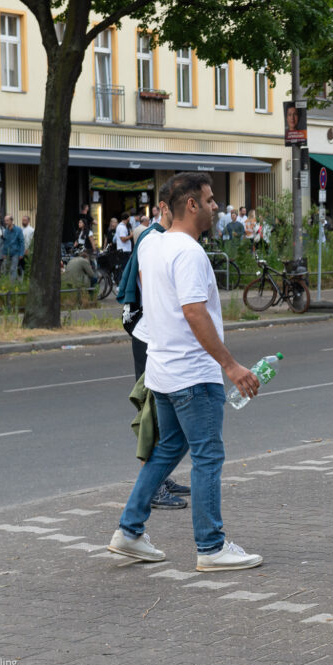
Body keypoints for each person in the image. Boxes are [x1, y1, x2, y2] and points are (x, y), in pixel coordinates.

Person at [107, 172, 263, 571]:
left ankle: (129, 531)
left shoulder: (152, 245)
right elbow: (194, 313)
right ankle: (211, 547)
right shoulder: (189, 253)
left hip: (162, 371)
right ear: (191, 205)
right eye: (209, 200)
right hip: (193, 374)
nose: (216, 207)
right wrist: (230, 365)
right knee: (208, 456)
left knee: (168, 449)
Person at [117, 179, 191, 510]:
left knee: (164, 412)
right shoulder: (153, 240)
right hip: (149, 333)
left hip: (154, 332)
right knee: (153, 412)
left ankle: (160, 475)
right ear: (164, 208)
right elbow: (153, 293)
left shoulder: (167, 237)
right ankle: (154, 485)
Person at [1, 214, 25, 282]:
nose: (6, 222)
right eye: (5, 221)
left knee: (13, 268)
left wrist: (21, 253)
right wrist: (4, 253)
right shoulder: (6, 231)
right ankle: (8, 282)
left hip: (15, 252)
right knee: (5, 268)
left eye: (7, 220)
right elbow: (5, 242)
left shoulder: (18, 230)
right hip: (7, 252)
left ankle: (12, 284)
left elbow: (21, 242)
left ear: (11, 221)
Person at [114, 212, 133, 280]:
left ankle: (121, 281)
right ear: (127, 218)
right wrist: (131, 236)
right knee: (124, 267)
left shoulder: (123, 226)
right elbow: (123, 239)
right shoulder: (122, 227)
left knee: (123, 267)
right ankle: (121, 282)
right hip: (124, 250)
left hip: (124, 249)